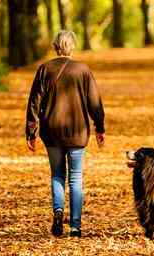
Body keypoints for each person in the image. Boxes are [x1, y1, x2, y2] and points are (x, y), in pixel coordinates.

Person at [26, 30, 105, 237]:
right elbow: (94, 103)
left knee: (57, 175)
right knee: (76, 178)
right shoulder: (83, 70)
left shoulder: (44, 69)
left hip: (51, 132)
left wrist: (31, 131)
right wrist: (100, 127)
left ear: (55, 46)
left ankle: (58, 211)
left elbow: (35, 102)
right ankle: (76, 227)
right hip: (77, 132)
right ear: (73, 46)